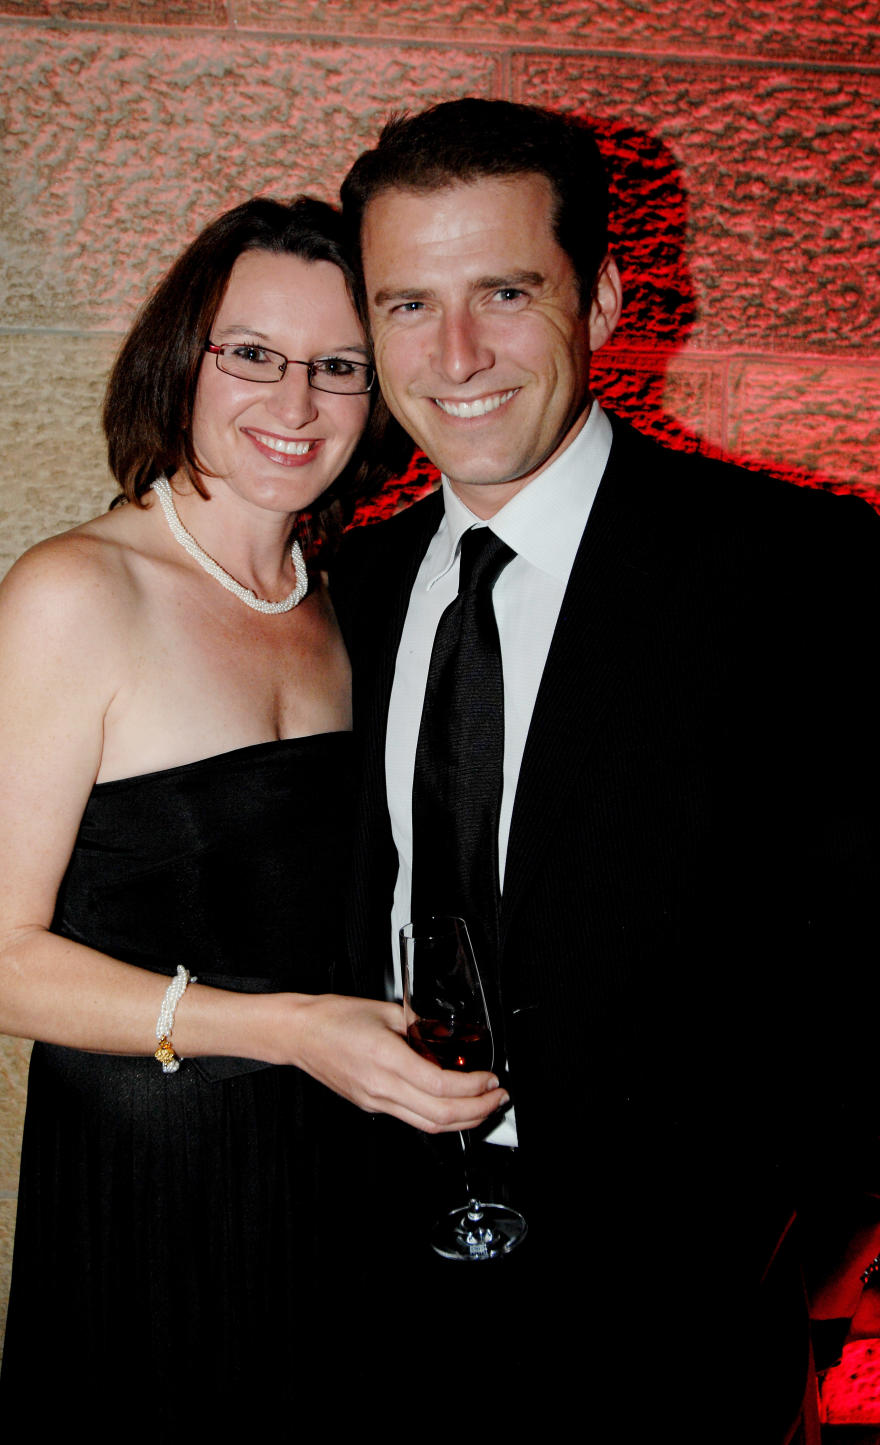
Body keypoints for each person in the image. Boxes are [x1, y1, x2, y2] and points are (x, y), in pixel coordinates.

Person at [332, 100, 880, 1441]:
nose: (454, 354)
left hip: (676, 1295)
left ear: (609, 300)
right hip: (371, 1259)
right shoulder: (350, 581)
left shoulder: (803, 570)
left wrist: (776, 1224)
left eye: (504, 292)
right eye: (407, 304)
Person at [0, 196, 508, 1441]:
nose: (294, 401)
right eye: (251, 352)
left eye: (338, 366)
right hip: (151, 1186)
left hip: (337, 1167)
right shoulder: (77, 590)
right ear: (179, 358)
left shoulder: (356, 597)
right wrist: (292, 1028)